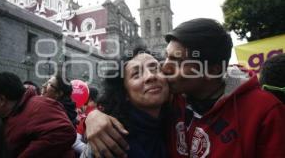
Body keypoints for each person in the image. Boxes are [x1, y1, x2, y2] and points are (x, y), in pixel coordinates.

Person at [84, 18, 285, 158]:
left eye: (176, 60)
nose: (163, 68)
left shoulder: (265, 111)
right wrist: (92, 118)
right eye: (166, 56)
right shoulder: (173, 98)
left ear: (212, 70)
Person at [86, 47, 169, 158]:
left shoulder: (178, 123)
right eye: (136, 74)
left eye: (155, 69)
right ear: (125, 93)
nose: (150, 76)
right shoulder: (109, 137)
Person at [0, 72, 76, 158]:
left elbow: (65, 132)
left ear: (2, 100)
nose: (43, 85)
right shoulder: (11, 113)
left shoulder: (40, 106)